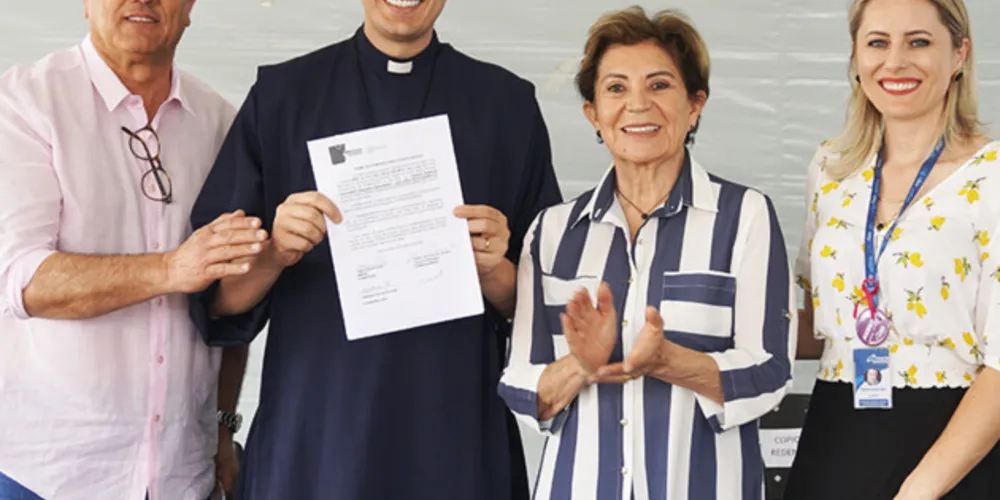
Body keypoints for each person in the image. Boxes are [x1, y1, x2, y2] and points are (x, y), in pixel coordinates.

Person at [187, 0, 562, 498]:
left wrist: (495, 269)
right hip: (317, 439)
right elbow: (216, 300)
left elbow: (549, 309)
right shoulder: (283, 96)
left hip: (452, 435)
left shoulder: (506, 105)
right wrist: (275, 251)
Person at [497, 7, 797, 499]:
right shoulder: (552, 230)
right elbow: (519, 387)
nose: (637, 104)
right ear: (592, 113)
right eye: (616, 88)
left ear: (695, 104)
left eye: (659, 86)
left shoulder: (744, 215)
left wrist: (669, 361)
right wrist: (581, 365)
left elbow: (770, 372)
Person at [0, 1, 260, 499]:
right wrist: (172, 268)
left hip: (184, 473)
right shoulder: (25, 102)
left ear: (190, 8)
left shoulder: (222, 123)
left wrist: (224, 427)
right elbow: (23, 280)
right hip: (50, 474)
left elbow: (232, 303)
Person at [784, 0, 1000, 498]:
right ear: (857, 57)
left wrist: (919, 490)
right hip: (836, 437)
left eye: (918, 42)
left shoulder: (990, 176)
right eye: (877, 42)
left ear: (960, 53)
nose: (895, 61)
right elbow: (823, 324)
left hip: (953, 449)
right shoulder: (831, 169)